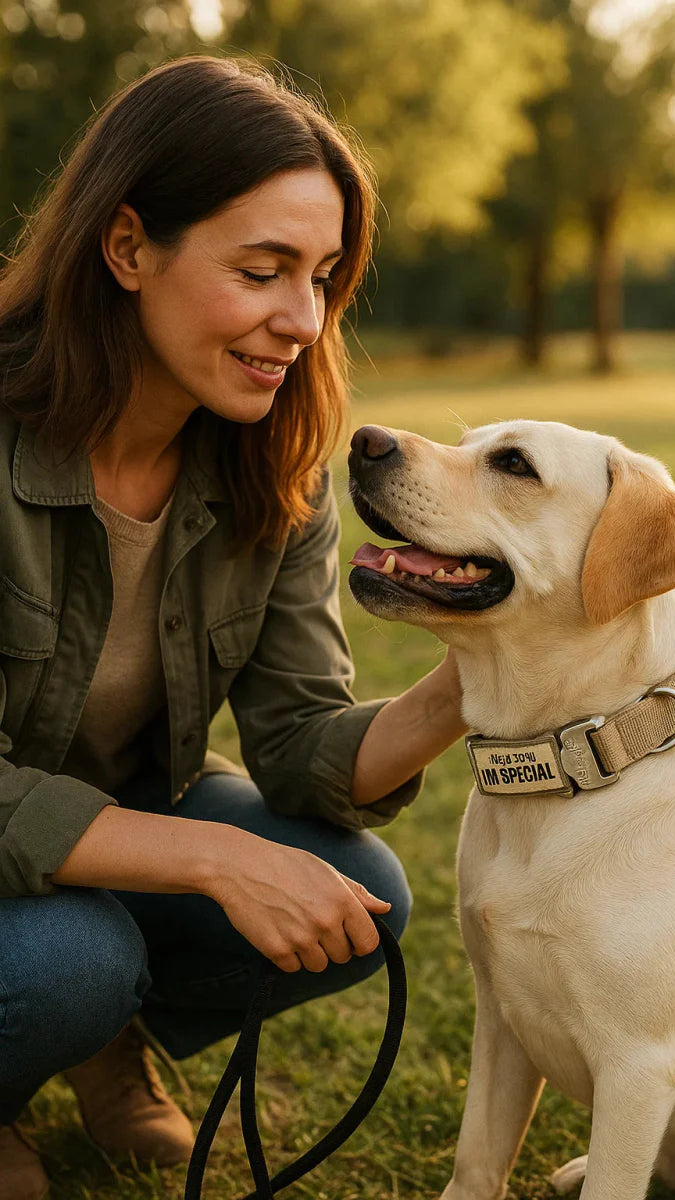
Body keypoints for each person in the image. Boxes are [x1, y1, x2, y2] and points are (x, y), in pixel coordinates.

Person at [0, 55, 467, 1199]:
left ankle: (106, 1041)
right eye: (261, 271)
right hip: (55, 849)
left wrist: (473, 679)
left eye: (321, 278)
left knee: (361, 890)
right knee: (77, 956)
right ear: (126, 250)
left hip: (116, 818)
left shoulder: (273, 469)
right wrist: (211, 857)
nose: (300, 321)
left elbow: (302, 739)